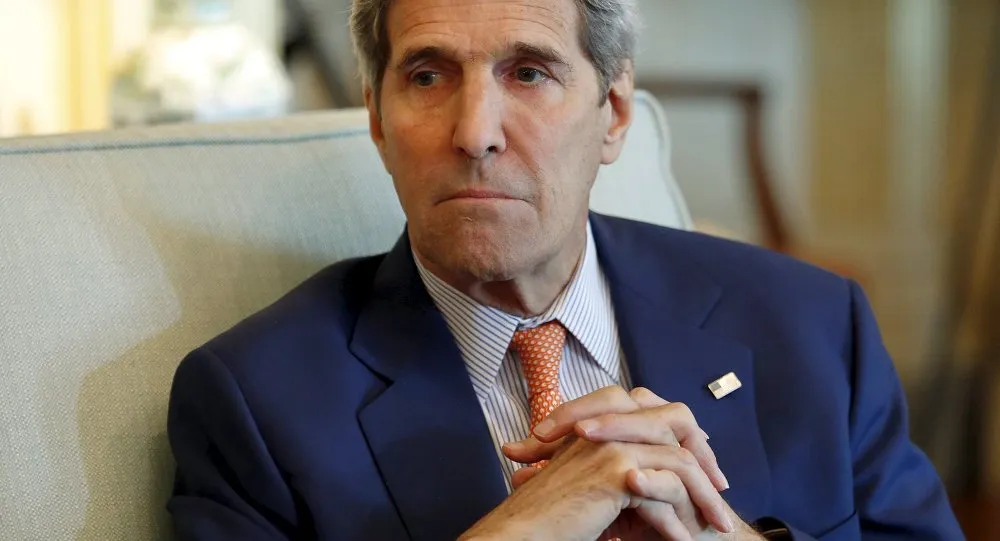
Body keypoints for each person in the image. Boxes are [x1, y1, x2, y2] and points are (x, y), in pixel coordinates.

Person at [166, 0, 964, 539]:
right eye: (428, 75)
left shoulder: (811, 326)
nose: (475, 132)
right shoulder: (256, 401)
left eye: (529, 73)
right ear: (376, 117)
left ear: (613, 113)